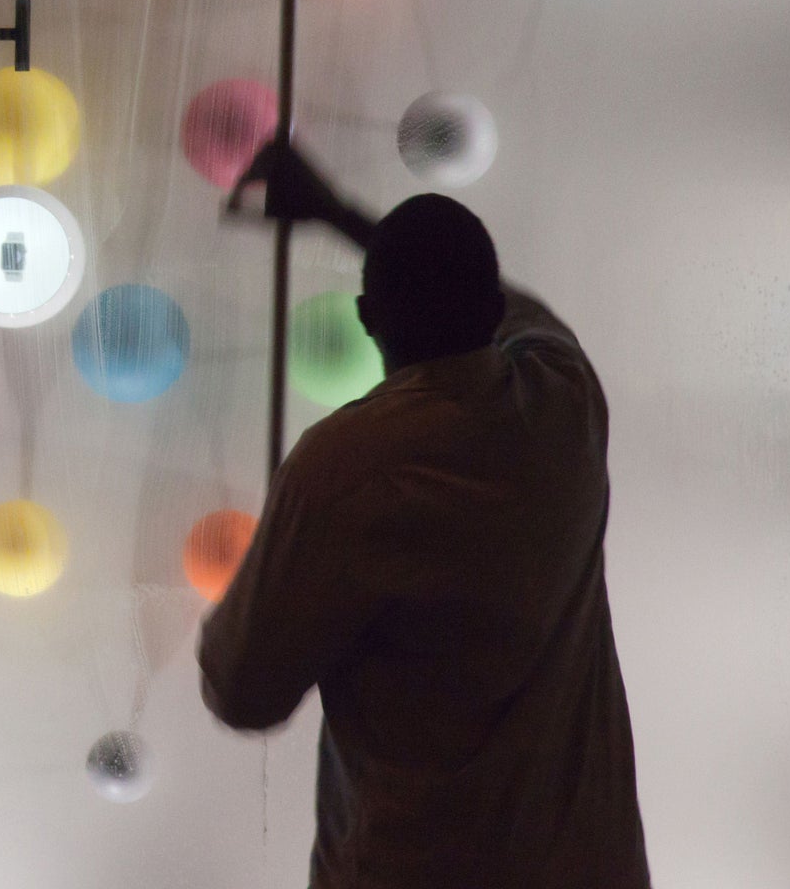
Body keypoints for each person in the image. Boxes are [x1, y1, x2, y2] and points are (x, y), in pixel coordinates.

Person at [198, 141, 648, 889]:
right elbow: (517, 309)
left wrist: (268, 573)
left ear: (367, 316)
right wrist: (336, 210)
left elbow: (243, 688)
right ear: (495, 309)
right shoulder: (565, 398)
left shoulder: (343, 469)